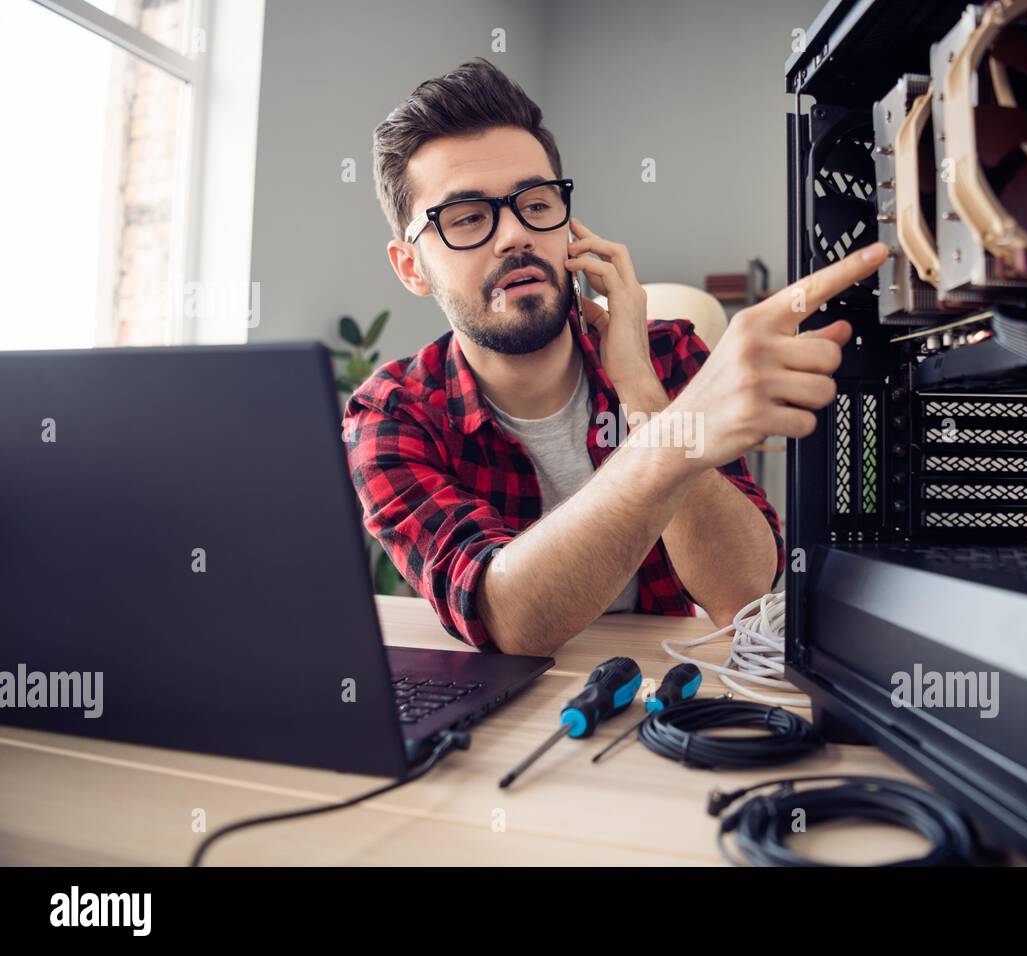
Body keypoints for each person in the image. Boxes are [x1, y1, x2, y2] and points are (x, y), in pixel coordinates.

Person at [344, 58, 887, 655]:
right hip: (516, 712)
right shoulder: (391, 415)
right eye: (468, 218)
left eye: (537, 202)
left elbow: (741, 594)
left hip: (664, 693)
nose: (515, 235)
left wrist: (642, 393)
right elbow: (508, 619)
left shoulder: (667, 352)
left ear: (569, 228)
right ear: (411, 268)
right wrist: (672, 446)